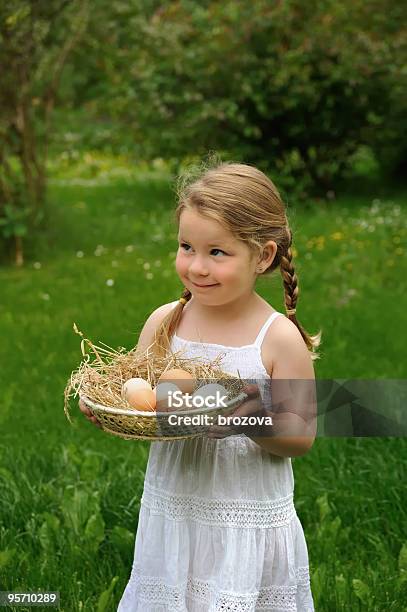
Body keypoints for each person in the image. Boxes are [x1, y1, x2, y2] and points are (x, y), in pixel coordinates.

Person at [80, 160, 322, 611]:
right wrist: (115, 412)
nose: (196, 266)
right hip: (176, 507)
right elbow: (144, 396)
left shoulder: (276, 339)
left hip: (242, 514)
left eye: (217, 253)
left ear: (263, 257)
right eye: (186, 246)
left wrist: (238, 415)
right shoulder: (165, 323)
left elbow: (300, 436)